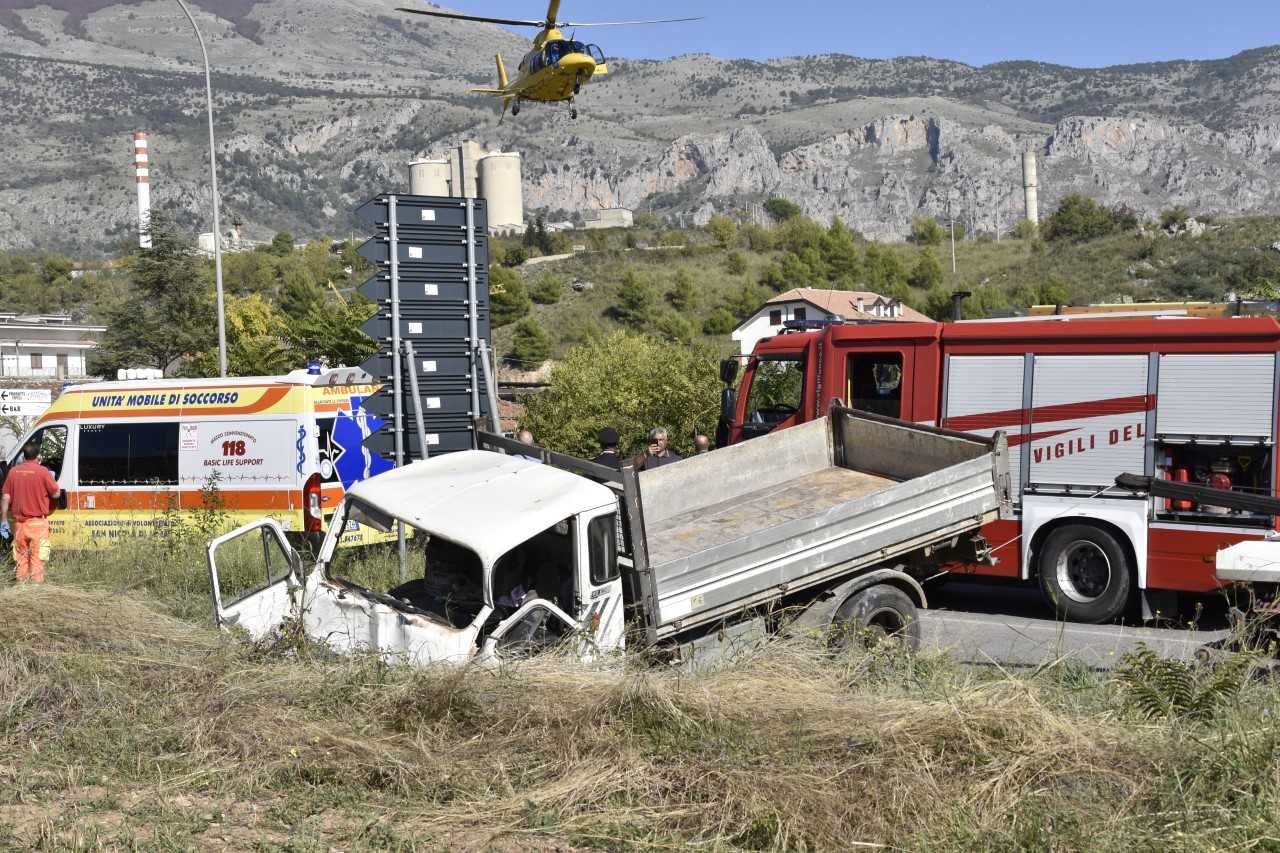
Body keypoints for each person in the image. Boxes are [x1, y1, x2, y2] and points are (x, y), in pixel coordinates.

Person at [0, 440, 62, 584]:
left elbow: (5, 496)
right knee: (37, 559)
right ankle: (35, 590)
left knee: (21, 559)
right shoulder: (43, 472)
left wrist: (3, 520)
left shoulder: (13, 472)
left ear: (23, 455)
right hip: (37, 524)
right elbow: (56, 494)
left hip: (19, 525)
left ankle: (21, 587)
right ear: (38, 455)